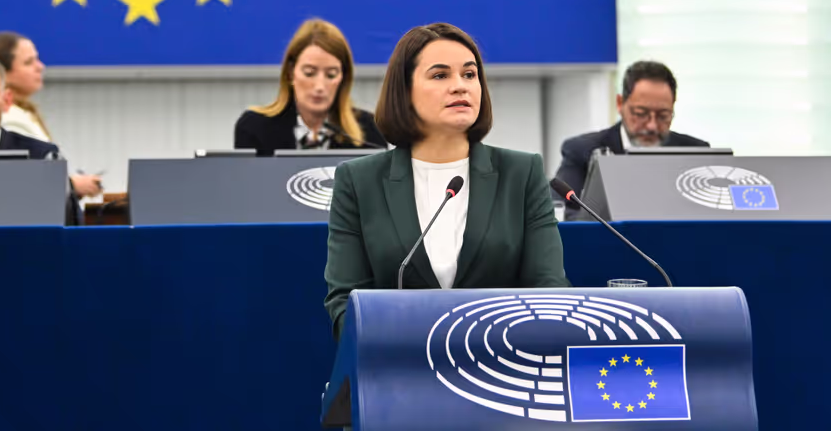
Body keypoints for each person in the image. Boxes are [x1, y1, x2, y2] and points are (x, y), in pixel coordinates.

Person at [323, 23, 569, 341]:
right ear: (404, 91)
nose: (460, 86)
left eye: (469, 75)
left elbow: (549, 290)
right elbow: (345, 305)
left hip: (502, 371)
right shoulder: (358, 181)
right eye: (440, 76)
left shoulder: (521, 173)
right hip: (396, 374)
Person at [555, 60, 709, 219]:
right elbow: (562, 213)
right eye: (641, 113)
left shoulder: (695, 153)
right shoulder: (582, 151)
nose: (652, 126)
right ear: (620, 104)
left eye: (663, 116)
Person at [234, 19, 387, 155]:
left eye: (331, 75)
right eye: (309, 73)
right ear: (290, 73)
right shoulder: (254, 128)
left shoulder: (369, 132)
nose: (320, 86)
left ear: (343, 79)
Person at [0, 31, 102, 198]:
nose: (40, 67)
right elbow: (21, 183)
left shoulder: (21, 113)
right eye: (29, 62)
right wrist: (73, 185)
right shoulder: (6, 119)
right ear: (2, 72)